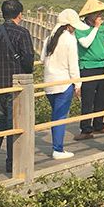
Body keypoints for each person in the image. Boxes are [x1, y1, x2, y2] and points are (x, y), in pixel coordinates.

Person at [0, 0, 35, 172]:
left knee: (0, 119)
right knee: (14, 123)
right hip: (15, 87)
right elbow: (28, 59)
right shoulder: (22, 33)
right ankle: (12, 162)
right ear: (20, 14)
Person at [41, 9, 88, 159]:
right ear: (69, 25)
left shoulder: (49, 38)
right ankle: (58, 149)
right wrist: (78, 84)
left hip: (49, 82)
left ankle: (57, 147)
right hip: (64, 83)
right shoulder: (69, 39)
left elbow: (42, 59)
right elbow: (73, 65)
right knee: (60, 116)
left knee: (56, 115)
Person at [74, 0, 104, 140]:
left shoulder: (102, 27)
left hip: (101, 65)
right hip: (87, 66)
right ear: (90, 15)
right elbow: (85, 44)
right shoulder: (80, 28)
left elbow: (103, 42)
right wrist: (95, 27)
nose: (101, 16)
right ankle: (86, 129)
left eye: (101, 14)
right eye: (98, 14)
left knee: (101, 98)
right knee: (88, 99)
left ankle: (99, 124)